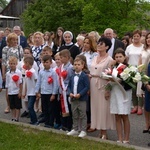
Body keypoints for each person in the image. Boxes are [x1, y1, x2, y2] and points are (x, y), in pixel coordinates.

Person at [88, 37, 116, 139]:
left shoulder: (110, 60)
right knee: (95, 107)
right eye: (98, 43)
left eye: (102, 44)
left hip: (103, 84)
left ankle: (104, 132)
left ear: (107, 47)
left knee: (103, 108)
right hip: (93, 83)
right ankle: (99, 129)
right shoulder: (94, 57)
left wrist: (108, 90)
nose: (99, 45)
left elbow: (111, 76)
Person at [109, 48, 132, 143]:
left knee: (124, 115)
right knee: (117, 116)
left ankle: (126, 138)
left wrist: (122, 80)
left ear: (124, 57)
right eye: (116, 57)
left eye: (120, 57)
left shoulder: (129, 68)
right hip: (115, 91)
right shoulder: (113, 67)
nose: (118, 58)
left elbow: (131, 83)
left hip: (124, 93)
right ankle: (120, 138)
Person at [67, 57, 90, 137]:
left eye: (78, 65)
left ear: (82, 66)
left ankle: (83, 130)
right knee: (74, 114)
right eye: (75, 64)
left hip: (81, 99)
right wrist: (70, 93)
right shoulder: (72, 76)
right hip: (73, 98)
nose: (76, 66)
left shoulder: (84, 76)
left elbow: (87, 87)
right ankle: (75, 129)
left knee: (82, 114)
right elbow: (69, 86)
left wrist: (80, 94)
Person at [2, 32, 24, 113]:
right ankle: (9, 105)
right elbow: (4, 62)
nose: (15, 41)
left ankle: (17, 106)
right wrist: (3, 73)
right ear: (9, 40)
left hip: (17, 71)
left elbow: (22, 60)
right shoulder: (5, 49)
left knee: (17, 88)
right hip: (9, 71)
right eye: (13, 40)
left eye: (16, 40)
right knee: (9, 89)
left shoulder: (19, 48)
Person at [35, 55, 58, 128]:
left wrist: (54, 94)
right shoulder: (41, 72)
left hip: (50, 93)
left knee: (51, 109)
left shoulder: (53, 72)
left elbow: (55, 84)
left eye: (47, 62)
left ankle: (50, 123)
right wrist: (37, 91)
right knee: (44, 109)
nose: (45, 64)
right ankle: (46, 122)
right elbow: (38, 82)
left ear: (51, 63)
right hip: (43, 93)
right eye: (44, 62)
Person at [125, 29, 144, 115]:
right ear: (132, 38)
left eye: (137, 36)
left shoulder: (143, 47)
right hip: (131, 69)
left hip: (140, 69)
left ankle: (140, 107)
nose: (136, 38)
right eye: (134, 36)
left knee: (140, 89)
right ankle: (135, 106)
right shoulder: (129, 47)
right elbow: (126, 58)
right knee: (133, 88)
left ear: (140, 37)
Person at [17, 47, 38, 118]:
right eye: (25, 53)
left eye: (27, 53)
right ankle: (26, 110)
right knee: (25, 97)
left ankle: (32, 111)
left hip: (31, 82)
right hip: (23, 80)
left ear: (31, 53)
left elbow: (35, 74)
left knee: (30, 98)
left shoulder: (33, 63)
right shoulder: (20, 63)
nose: (26, 54)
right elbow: (19, 71)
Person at [56, 49, 74, 131]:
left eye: (62, 57)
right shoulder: (61, 67)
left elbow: (70, 79)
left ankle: (68, 126)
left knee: (68, 109)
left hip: (67, 91)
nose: (60, 59)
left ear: (67, 57)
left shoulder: (70, 68)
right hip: (61, 91)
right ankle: (64, 125)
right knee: (62, 108)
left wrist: (67, 89)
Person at [139, 32, 150, 134]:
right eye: (147, 38)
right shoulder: (143, 50)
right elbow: (140, 64)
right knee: (146, 104)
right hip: (145, 77)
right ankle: (147, 124)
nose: (148, 39)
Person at [22, 56, 38, 125]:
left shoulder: (33, 72)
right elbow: (26, 82)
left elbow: (36, 81)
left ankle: (35, 120)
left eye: (25, 63)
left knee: (30, 106)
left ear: (28, 63)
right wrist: (24, 92)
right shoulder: (26, 71)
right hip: (29, 92)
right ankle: (32, 120)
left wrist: (37, 91)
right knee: (30, 106)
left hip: (33, 92)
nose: (24, 65)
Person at [5, 56, 22, 122]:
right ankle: (13, 116)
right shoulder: (8, 73)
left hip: (16, 91)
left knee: (17, 105)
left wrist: (20, 92)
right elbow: (7, 84)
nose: (12, 65)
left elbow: (20, 83)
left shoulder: (18, 72)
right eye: (11, 63)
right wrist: (7, 92)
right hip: (10, 91)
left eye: (13, 64)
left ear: (16, 64)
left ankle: (17, 117)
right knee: (12, 105)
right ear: (9, 64)